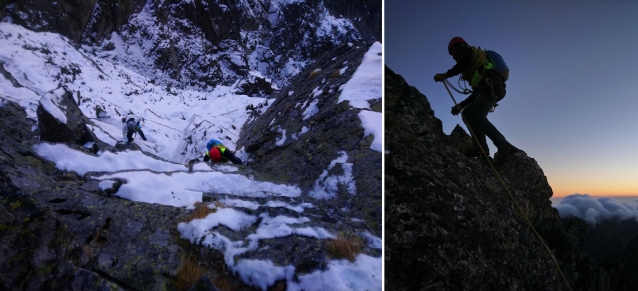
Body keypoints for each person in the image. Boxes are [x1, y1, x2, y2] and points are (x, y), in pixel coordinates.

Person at [434, 37, 519, 166]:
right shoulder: (478, 70)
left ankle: (504, 146)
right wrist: (461, 105)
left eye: (452, 53)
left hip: (491, 86)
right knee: (468, 114)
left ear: (457, 47)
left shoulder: (466, 51)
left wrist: (446, 74)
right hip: (492, 88)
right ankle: (481, 147)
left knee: (478, 116)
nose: (453, 57)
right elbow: (478, 92)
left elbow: (465, 62)